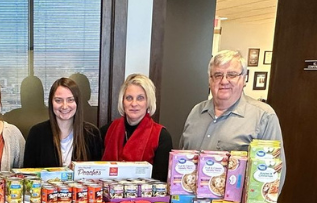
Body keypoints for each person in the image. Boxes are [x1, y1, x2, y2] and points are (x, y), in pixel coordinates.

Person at [180, 49, 286, 186]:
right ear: (209, 80)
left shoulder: (263, 116)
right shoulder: (196, 112)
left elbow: (274, 177)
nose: (224, 81)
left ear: (244, 78)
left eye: (232, 75)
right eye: (218, 75)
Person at [101, 74, 172, 181]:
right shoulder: (107, 130)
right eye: (129, 98)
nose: (134, 104)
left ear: (148, 102)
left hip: (145, 197)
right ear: (122, 101)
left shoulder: (161, 136)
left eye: (140, 98)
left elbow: (160, 183)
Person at [23, 77, 103, 167]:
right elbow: (28, 175)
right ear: (51, 103)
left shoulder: (92, 134)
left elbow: (98, 174)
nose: (64, 106)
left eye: (70, 100)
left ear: (77, 103)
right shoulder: (37, 133)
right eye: (58, 100)